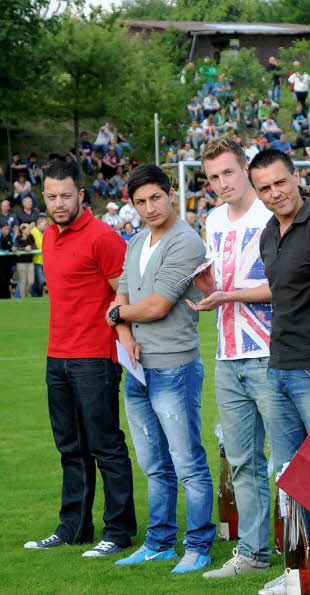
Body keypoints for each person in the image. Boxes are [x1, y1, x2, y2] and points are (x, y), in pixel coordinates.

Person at [22, 163, 136, 557]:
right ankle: (74, 528)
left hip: (95, 357)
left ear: (81, 194)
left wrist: (123, 345)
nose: (58, 203)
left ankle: (119, 531)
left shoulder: (104, 238)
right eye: (51, 196)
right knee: (69, 448)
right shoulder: (49, 235)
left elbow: (125, 297)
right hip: (58, 356)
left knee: (105, 446)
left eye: (65, 195)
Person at [106, 164, 214, 573]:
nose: (150, 207)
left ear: (171, 194)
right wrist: (125, 333)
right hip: (136, 366)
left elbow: (156, 305)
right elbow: (122, 290)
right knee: (153, 464)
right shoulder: (136, 240)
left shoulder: (186, 242)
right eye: (140, 201)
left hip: (174, 368)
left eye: (155, 197)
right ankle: (159, 542)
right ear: (132, 205)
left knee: (187, 462)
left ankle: (199, 545)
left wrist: (116, 315)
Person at [180, 139, 276, 580]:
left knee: (292, 459)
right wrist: (206, 287)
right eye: (214, 177)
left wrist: (227, 294)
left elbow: (285, 284)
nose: (221, 183)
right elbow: (220, 284)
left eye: (228, 173)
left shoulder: (272, 214)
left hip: (273, 353)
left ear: (245, 170)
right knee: (241, 461)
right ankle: (254, 553)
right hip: (228, 353)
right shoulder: (213, 219)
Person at [251, 149, 310, 593]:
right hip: (278, 367)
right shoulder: (269, 232)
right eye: (264, 188)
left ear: (296, 179)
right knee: (292, 476)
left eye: (280, 182)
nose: (275, 193)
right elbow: (280, 290)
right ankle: (307, 571)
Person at [30, 215, 45, 296]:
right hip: (36, 261)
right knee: (41, 280)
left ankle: (36, 296)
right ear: (39, 223)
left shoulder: (41, 233)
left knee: (38, 281)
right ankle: (37, 295)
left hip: (42, 261)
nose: (46, 226)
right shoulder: (33, 231)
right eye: (44, 224)